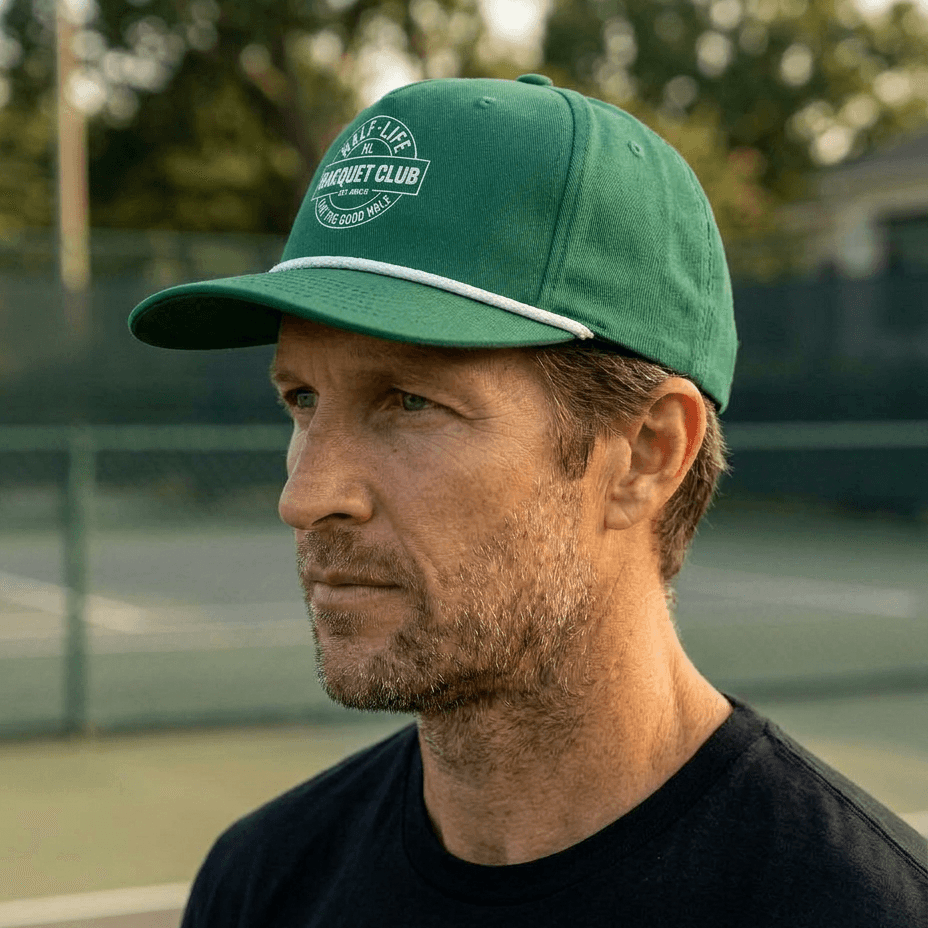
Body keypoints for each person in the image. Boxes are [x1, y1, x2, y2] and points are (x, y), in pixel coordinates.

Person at [128, 75, 927, 926]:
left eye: (410, 401)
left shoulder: (859, 909)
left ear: (647, 454)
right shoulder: (262, 883)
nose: (305, 495)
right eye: (302, 399)